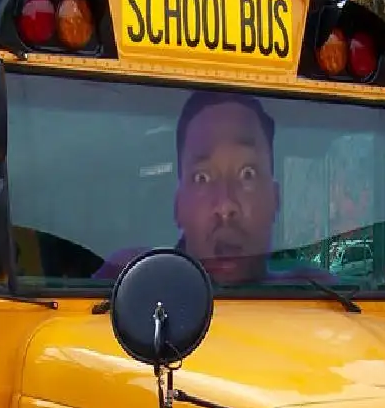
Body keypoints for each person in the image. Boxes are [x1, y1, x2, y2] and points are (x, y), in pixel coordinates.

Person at [95, 91, 336, 285]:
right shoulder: (127, 285)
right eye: (202, 178)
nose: (225, 205)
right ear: (178, 206)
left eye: (247, 174)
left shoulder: (321, 303)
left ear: (275, 199)